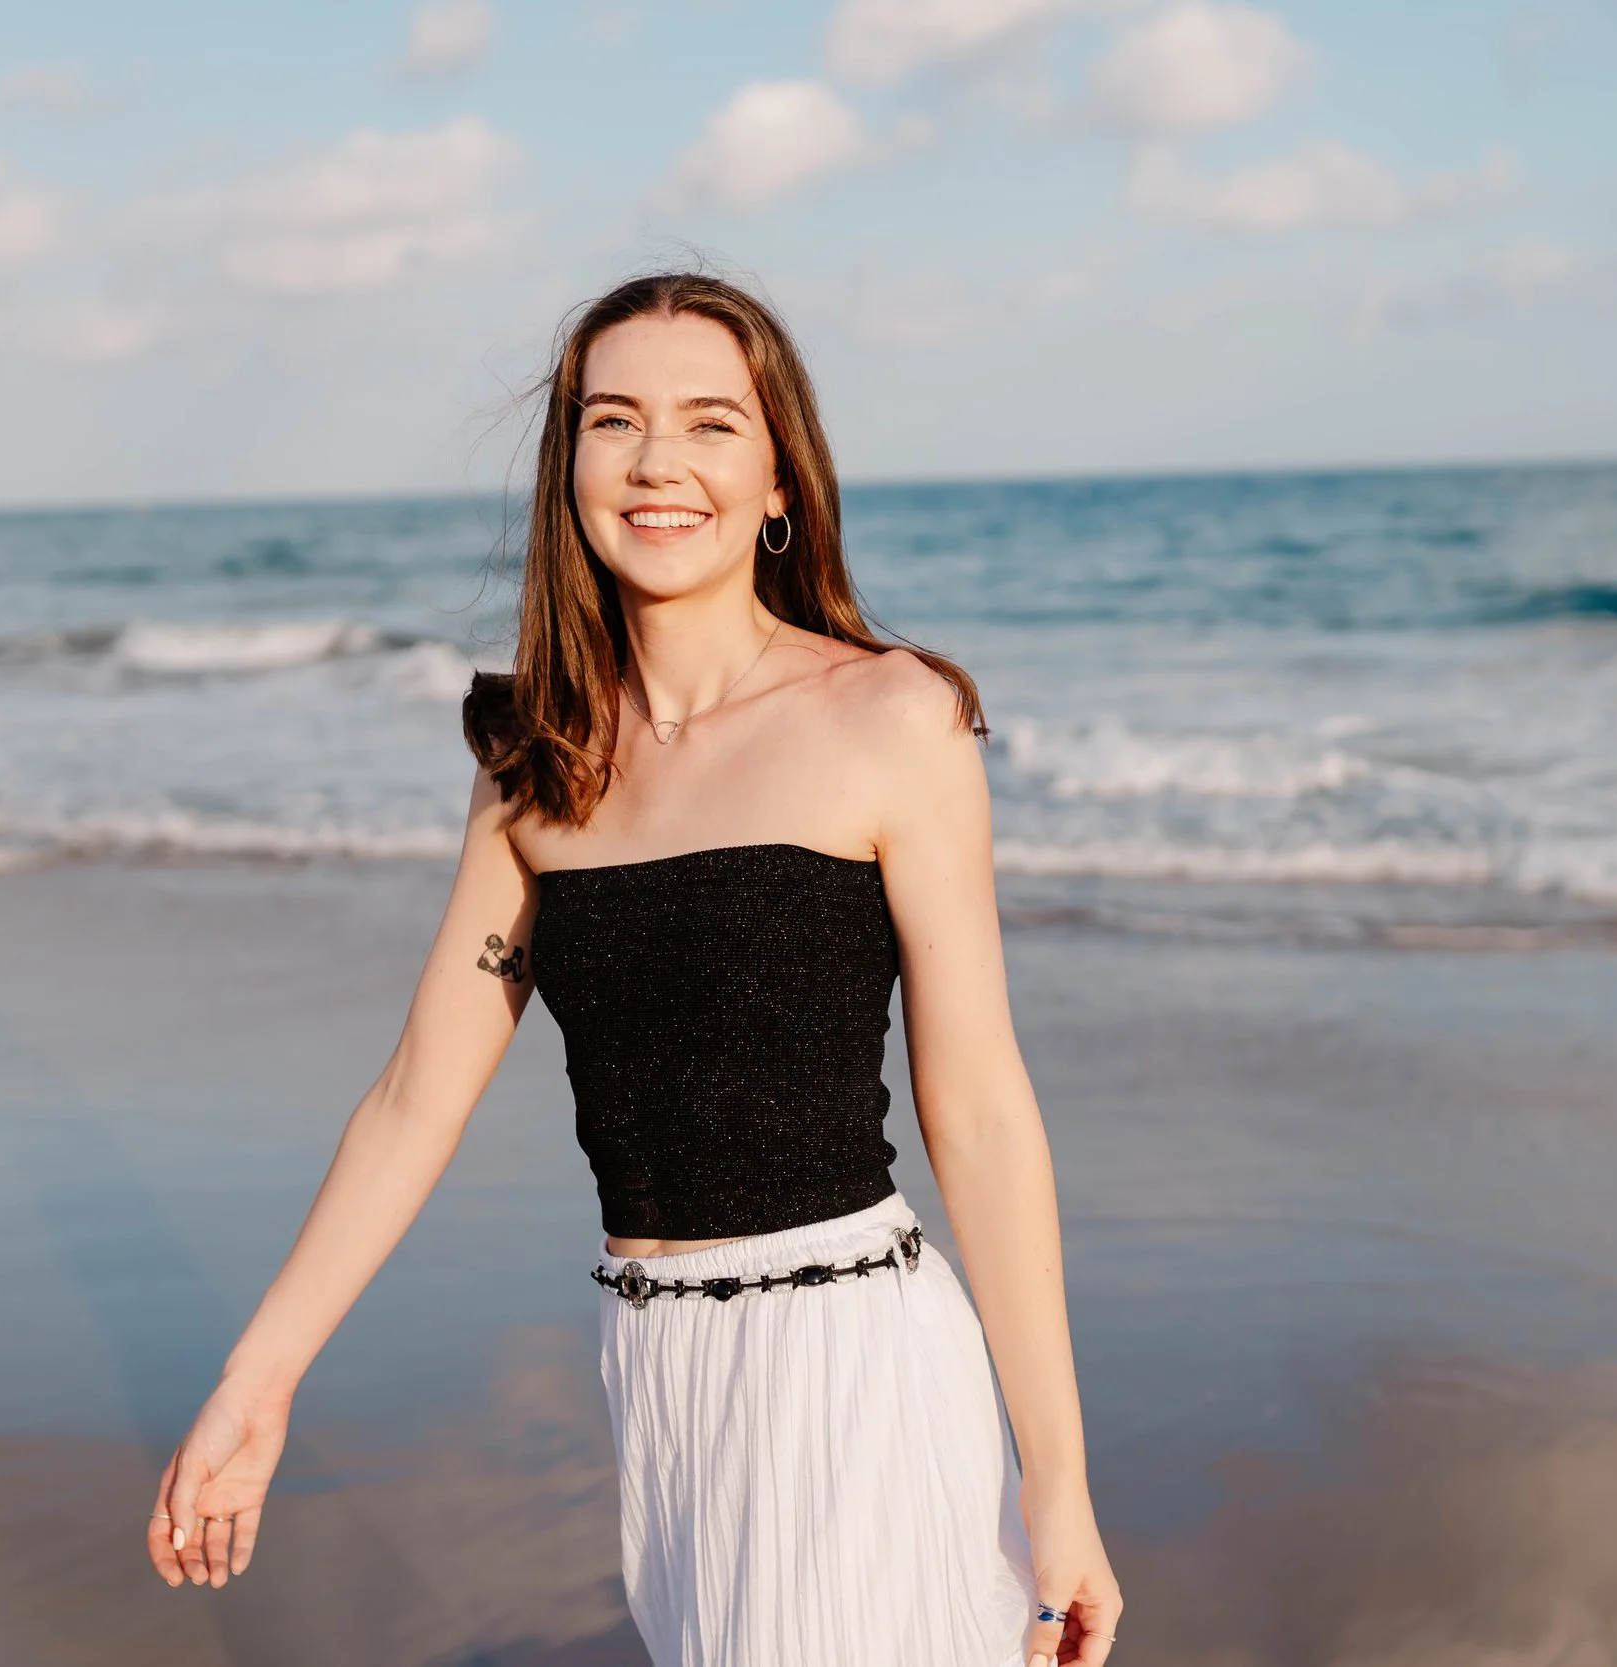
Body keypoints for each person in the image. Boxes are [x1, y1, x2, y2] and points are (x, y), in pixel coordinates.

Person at [143, 272, 1123, 1667]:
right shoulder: (535, 761)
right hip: (655, 1372)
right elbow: (419, 1095)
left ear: (780, 478)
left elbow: (980, 1113)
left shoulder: (891, 716)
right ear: (572, 472)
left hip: (848, 1360)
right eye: (616, 421)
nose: (660, 462)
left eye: (711, 423)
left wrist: (1060, 1482)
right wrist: (261, 1374)